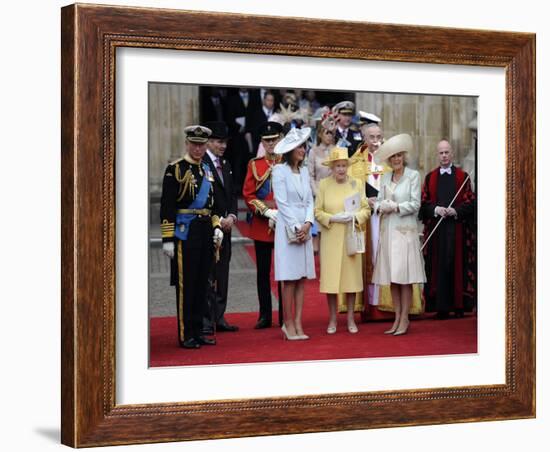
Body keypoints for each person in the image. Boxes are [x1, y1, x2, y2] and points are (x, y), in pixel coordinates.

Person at [160, 125, 224, 349]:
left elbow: (213, 204)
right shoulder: (175, 169)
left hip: (206, 230)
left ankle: (198, 331)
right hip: (185, 234)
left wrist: (217, 226)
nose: (198, 149)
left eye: (202, 145)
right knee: (186, 285)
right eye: (194, 144)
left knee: (202, 284)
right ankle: (186, 333)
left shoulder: (207, 170)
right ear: (187, 143)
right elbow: (167, 206)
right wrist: (167, 239)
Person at [372, 134, 426, 336]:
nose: (396, 159)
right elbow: (378, 200)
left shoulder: (413, 175)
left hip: (405, 232)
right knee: (393, 278)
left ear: (403, 156)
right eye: (392, 157)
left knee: (405, 278)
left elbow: (415, 204)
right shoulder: (385, 177)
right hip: (388, 233)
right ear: (389, 159)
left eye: (399, 156)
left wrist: (395, 206)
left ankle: (405, 318)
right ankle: (396, 317)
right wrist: (379, 206)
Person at [314, 147, 370, 334]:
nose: (341, 169)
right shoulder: (323, 185)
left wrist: (354, 217)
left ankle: (351, 319)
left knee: (351, 280)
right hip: (331, 237)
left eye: (344, 166)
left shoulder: (356, 184)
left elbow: (365, 209)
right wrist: (332, 218)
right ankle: (332, 320)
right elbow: (317, 211)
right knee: (331, 281)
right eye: (337, 166)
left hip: (350, 236)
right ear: (331, 167)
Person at [419, 139, 476, 319]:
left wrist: (455, 210)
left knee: (457, 265)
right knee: (439, 266)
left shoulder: (463, 177)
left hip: (457, 230)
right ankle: (441, 307)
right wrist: (436, 210)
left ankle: (459, 306)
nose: (444, 155)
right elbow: (423, 204)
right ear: (437, 155)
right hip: (437, 231)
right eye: (441, 152)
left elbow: (471, 203)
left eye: (446, 152)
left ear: (452, 154)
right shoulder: (430, 178)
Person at [272, 127, 316, 340]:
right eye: (299, 146)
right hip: (288, 228)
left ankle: (299, 322)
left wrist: (308, 223)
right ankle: (287, 323)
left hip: (304, 228)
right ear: (289, 150)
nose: (303, 149)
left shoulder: (305, 171)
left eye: (304, 145)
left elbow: (309, 201)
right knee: (289, 278)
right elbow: (282, 203)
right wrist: (297, 227)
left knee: (301, 278)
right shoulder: (279, 171)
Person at [242, 121, 284, 329]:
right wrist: (266, 210)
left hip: (285, 223)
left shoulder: (287, 161)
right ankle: (265, 315)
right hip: (262, 224)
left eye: (274, 139)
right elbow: (248, 194)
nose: (270, 144)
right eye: (266, 140)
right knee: (262, 273)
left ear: (281, 139)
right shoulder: (254, 164)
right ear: (262, 142)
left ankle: (286, 315)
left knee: (285, 271)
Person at [202, 121, 239, 333]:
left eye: (224, 142)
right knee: (209, 275)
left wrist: (232, 216)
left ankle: (219, 317)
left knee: (223, 272)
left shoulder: (225, 163)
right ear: (208, 142)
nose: (222, 145)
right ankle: (207, 321)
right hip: (210, 227)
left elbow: (232, 194)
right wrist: (218, 220)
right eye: (218, 141)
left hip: (227, 227)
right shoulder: (203, 163)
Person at [307, 110, 336, 252]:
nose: (329, 136)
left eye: (331, 133)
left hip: (334, 190)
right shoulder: (313, 151)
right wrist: (316, 193)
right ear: (320, 134)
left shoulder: (337, 150)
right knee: (318, 226)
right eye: (327, 133)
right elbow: (310, 175)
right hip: (317, 191)